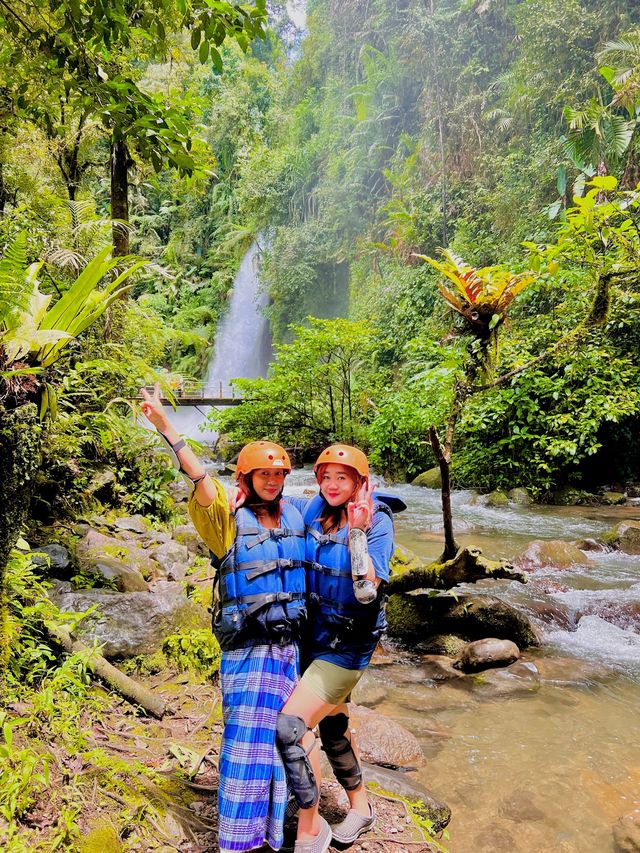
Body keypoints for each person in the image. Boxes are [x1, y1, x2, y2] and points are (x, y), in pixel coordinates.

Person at [139, 383, 307, 853]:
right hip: (249, 651)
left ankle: (273, 834)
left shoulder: (296, 516)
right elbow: (201, 481)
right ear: (246, 478)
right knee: (245, 749)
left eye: (278, 475)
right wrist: (167, 427)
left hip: (288, 650)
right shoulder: (226, 520)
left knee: (280, 744)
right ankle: (237, 840)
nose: (272, 482)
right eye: (263, 475)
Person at [278, 444, 398, 853]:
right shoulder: (314, 508)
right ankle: (361, 808)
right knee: (332, 726)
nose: (332, 485)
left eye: (342, 478)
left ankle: (311, 831)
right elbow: (272, 500)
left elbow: (366, 591)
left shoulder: (378, 520)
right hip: (312, 636)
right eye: (326, 477)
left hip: (348, 645)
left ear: (360, 483)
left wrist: (358, 530)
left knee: (290, 730)